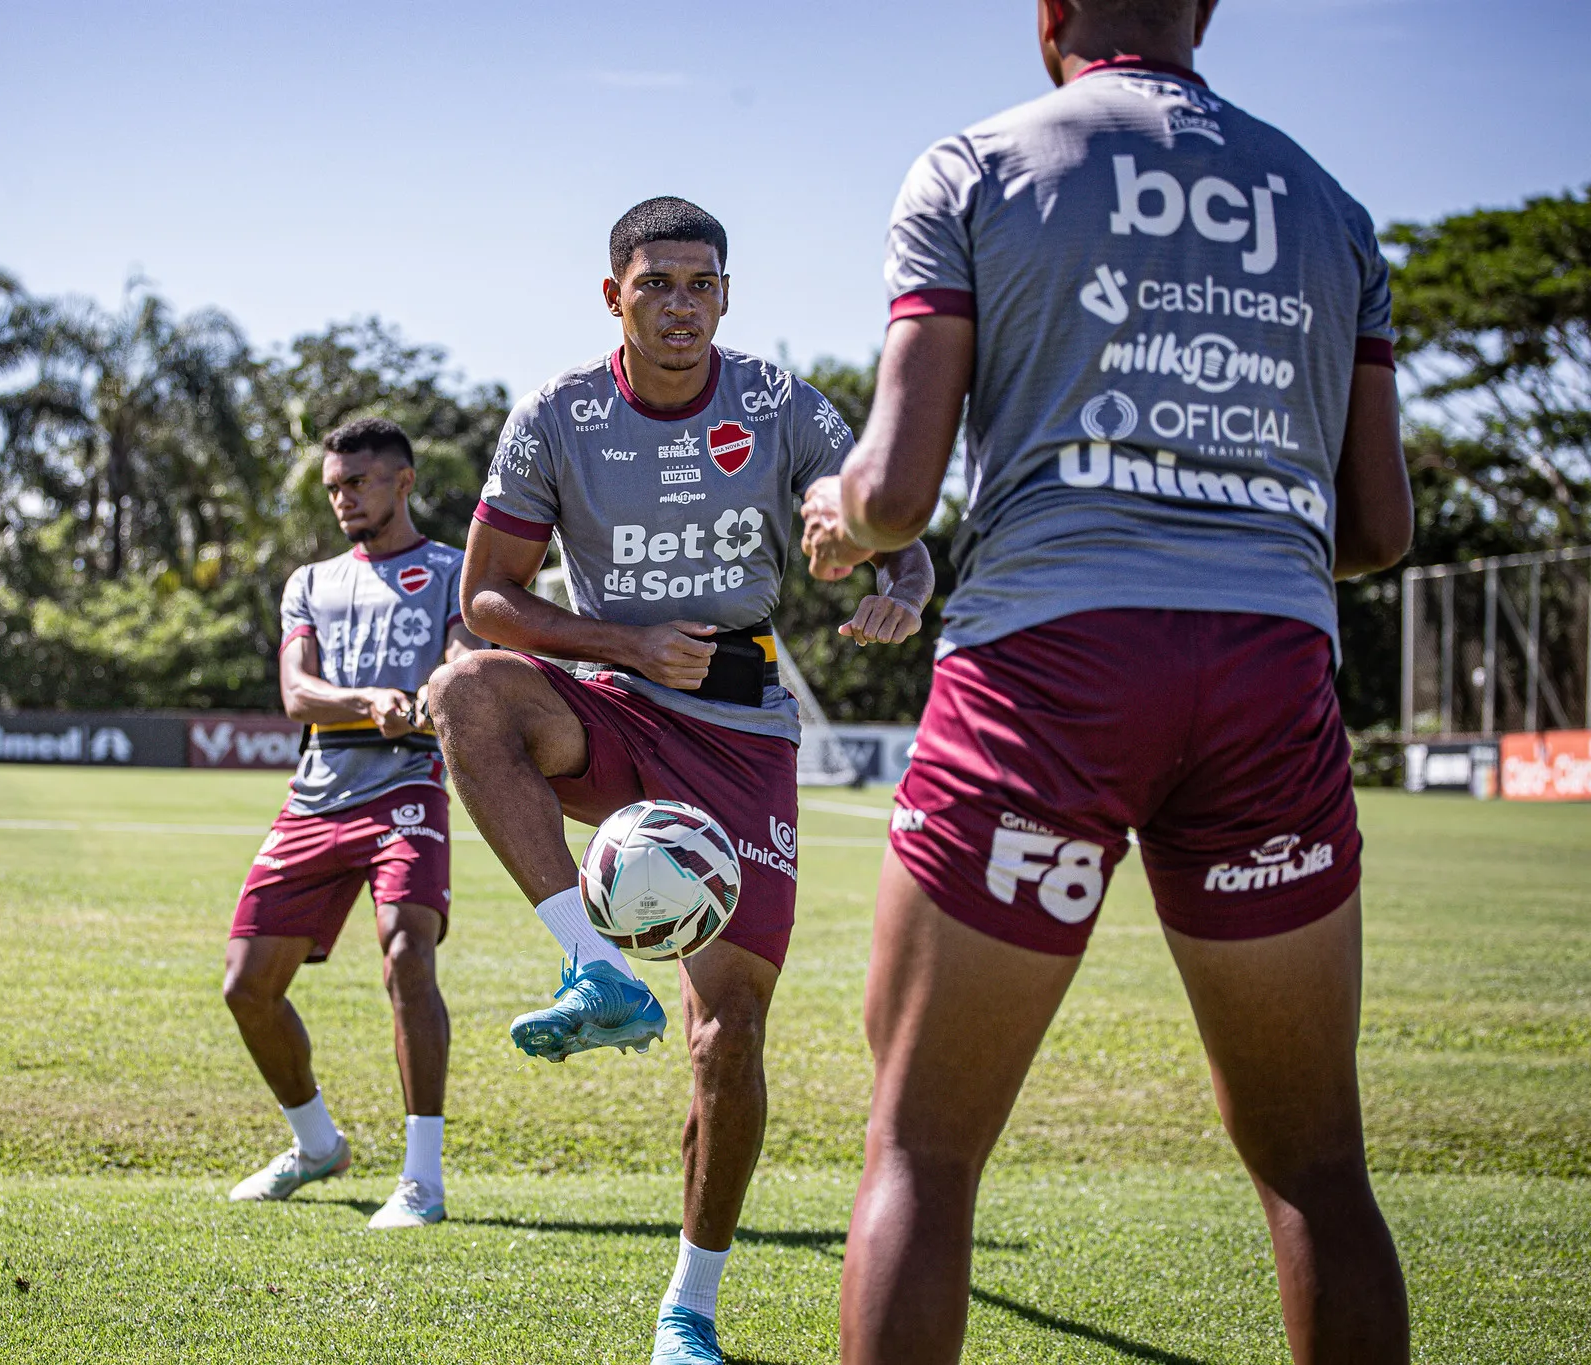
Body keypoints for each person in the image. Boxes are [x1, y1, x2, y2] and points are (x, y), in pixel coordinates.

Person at [801, 2, 1416, 1360]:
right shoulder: (1331, 204)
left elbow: (898, 493)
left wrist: (844, 516)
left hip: (1048, 668)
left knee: (923, 1147)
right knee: (1318, 1167)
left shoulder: (974, 165)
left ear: (1050, 14)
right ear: (1204, 11)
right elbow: (1377, 530)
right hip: (1270, 675)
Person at [430, 197, 935, 1365]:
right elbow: (485, 601)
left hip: (739, 732)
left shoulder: (776, 405)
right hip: (608, 700)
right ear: (613, 296)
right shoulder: (555, 415)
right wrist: (625, 647)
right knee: (465, 690)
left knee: (729, 1038)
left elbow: (893, 521)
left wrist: (899, 587)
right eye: (654, 283)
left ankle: (687, 1311)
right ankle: (595, 971)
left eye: (699, 284)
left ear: (724, 296)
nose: (679, 304)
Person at [222, 416, 480, 1230]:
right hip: (315, 795)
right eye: (333, 486)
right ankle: (315, 1143)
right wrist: (368, 701)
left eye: (358, 483)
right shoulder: (311, 581)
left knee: (408, 951)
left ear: (403, 482)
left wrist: (432, 693)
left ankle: (423, 1181)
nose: (342, 498)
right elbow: (297, 692)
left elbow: (463, 663)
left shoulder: (450, 570)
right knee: (247, 987)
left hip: (407, 788)